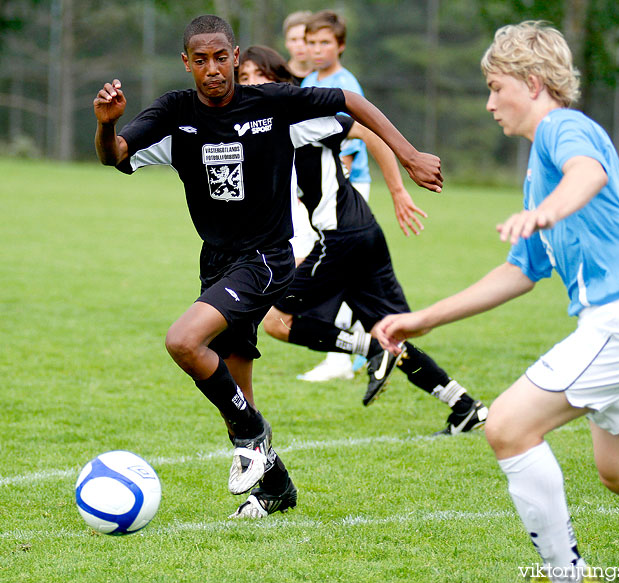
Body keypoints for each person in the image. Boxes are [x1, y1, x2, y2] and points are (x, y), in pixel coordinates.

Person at [376, 20, 619, 581]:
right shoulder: (536, 171)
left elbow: (588, 173)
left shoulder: (561, 129)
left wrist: (547, 211)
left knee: (506, 424)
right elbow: (519, 273)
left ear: (531, 82)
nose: (488, 104)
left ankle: (564, 574)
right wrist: (422, 319)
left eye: (496, 87)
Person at [93, 15, 442, 519]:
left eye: (221, 57)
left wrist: (407, 155)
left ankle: (255, 437)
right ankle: (275, 485)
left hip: (265, 258)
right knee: (235, 391)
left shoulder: (273, 103)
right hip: (216, 261)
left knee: (184, 341)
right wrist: (106, 124)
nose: (212, 69)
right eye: (201, 59)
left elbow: (351, 103)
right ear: (186, 63)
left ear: (235, 57)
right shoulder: (175, 111)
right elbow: (116, 155)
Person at [238, 45, 487, 434]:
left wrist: (399, 191)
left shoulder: (301, 113)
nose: (250, 84)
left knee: (276, 321)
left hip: (342, 237)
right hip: (359, 234)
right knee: (392, 331)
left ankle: (369, 350)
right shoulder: (264, 128)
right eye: (244, 78)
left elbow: (369, 131)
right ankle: (463, 404)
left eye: (258, 75)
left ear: (280, 80)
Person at [298, 9, 373, 382]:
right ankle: (362, 343)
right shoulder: (308, 80)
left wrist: (326, 186)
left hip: (346, 188)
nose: (316, 49)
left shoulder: (347, 84)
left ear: (340, 45)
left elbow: (347, 143)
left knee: (332, 266)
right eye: (311, 42)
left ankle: (341, 358)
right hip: (318, 190)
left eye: (325, 42)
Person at [282, 10, 313, 84]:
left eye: (304, 39)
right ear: (286, 43)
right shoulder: (278, 76)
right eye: (293, 40)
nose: (299, 45)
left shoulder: (326, 75)